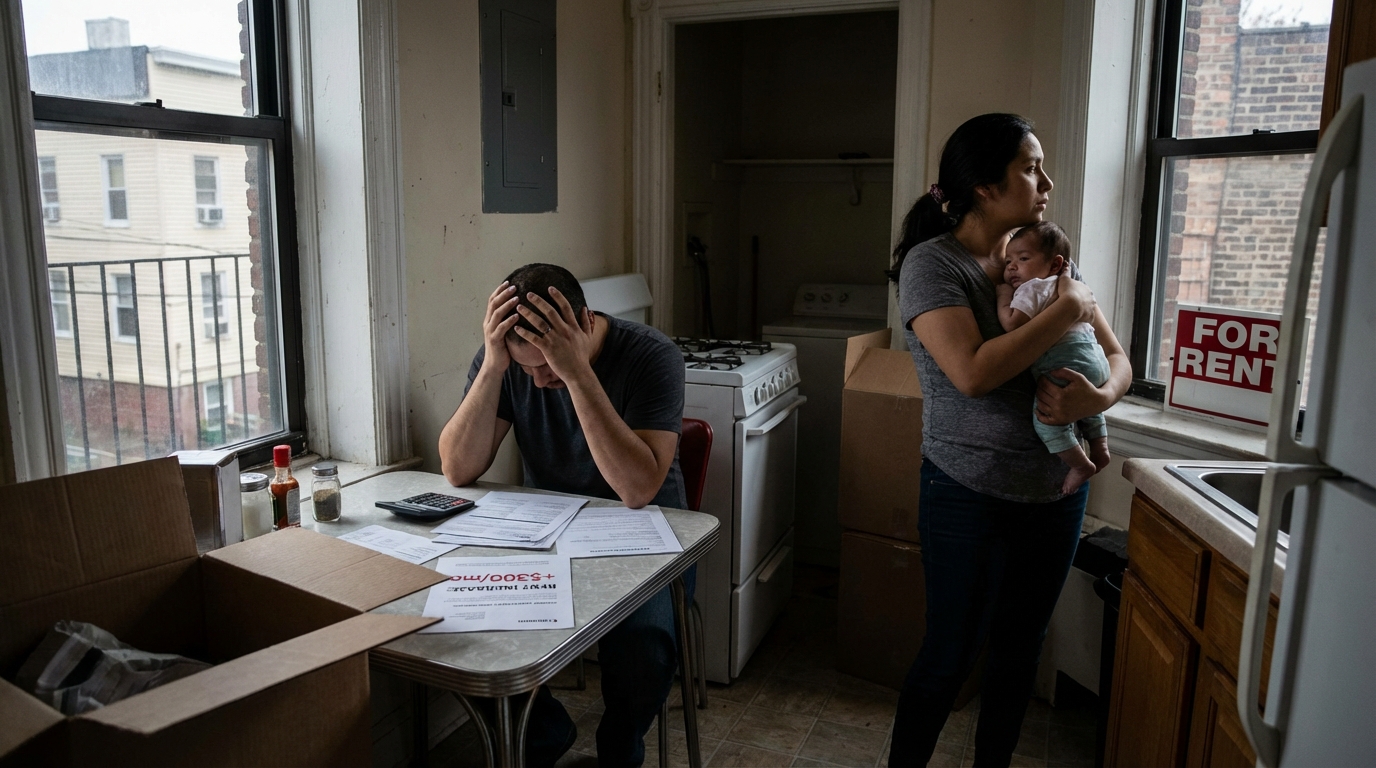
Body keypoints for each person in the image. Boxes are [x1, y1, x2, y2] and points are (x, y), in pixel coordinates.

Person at [885, 114, 1131, 767]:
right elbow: (971, 373)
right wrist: (1065, 312)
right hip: (966, 493)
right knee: (950, 656)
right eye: (1030, 167)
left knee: (1021, 654)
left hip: (1055, 493)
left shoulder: (1048, 258)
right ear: (986, 186)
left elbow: (1117, 356)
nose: (1046, 181)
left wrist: (1099, 397)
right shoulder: (931, 265)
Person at [439, 262, 689, 768]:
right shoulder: (510, 362)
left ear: (586, 322)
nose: (539, 379)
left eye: (548, 364)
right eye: (527, 367)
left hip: (646, 538)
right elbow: (457, 469)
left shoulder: (652, 355)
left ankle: (621, 745)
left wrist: (576, 373)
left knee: (647, 647)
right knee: (462, 631)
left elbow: (638, 489)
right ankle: (543, 734)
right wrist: (493, 366)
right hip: (549, 538)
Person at [996, 221, 1112, 494]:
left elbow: (1012, 324)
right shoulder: (1065, 283)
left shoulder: (1032, 289)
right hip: (1094, 358)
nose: (1012, 267)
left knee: (1047, 421)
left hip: (1064, 361)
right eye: (1009, 260)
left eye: (1023, 259)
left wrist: (1003, 297)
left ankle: (1081, 465)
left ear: (1055, 264)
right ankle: (1100, 446)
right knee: (1087, 407)